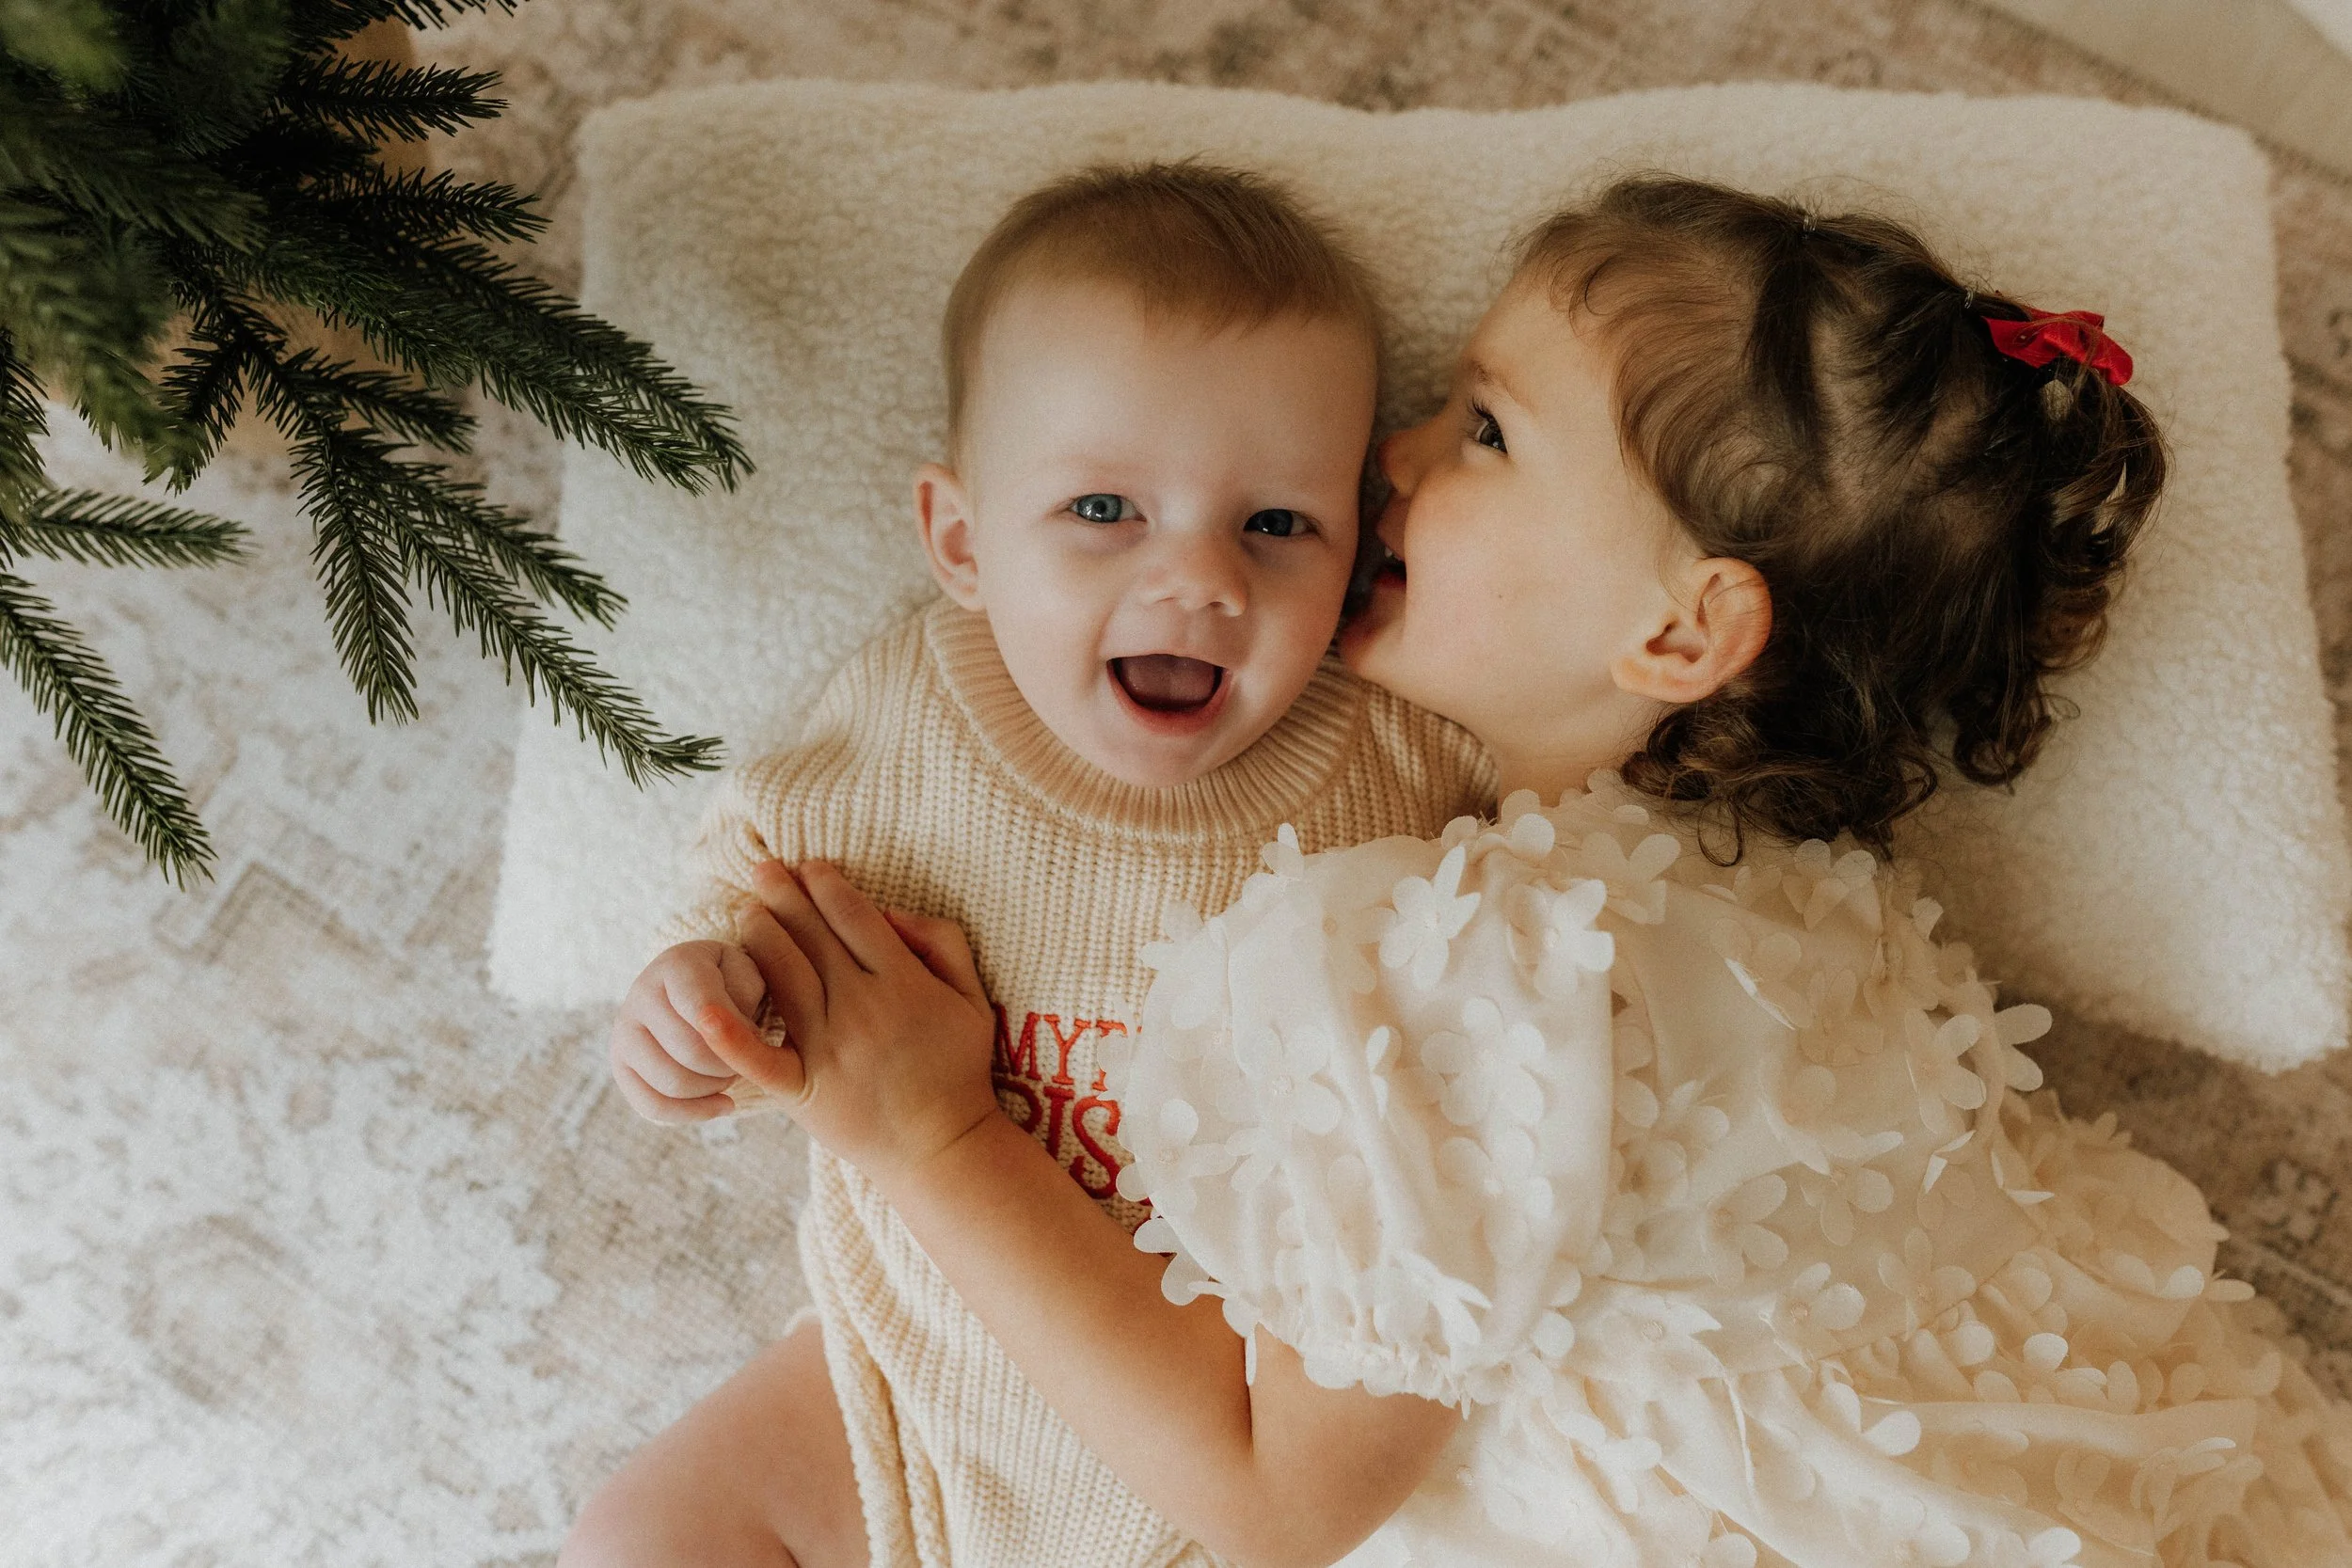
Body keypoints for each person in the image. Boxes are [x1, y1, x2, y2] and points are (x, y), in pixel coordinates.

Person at [699, 175, 2352, 1567]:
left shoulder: (1457, 967)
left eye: (1482, 428)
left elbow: (1276, 1502)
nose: (1388, 455)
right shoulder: (1798, 902)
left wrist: (932, 1132)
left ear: (1681, 632)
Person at [562, 161, 1494, 1568]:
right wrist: (698, 1006)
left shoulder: (1402, 765)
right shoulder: (908, 721)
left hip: (1214, 1431)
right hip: (900, 1388)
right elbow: (756, 895)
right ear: (960, 540)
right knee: (643, 1534)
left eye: (1277, 525)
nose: (1201, 581)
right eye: (1105, 510)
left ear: (1360, 546)